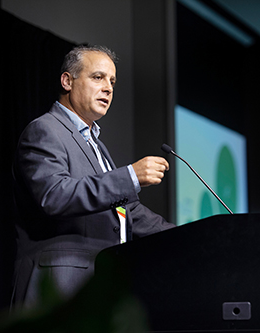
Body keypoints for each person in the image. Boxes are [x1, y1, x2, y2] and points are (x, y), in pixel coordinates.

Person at [11, 45, 175, 310]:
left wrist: (189, 236)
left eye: (112, 81)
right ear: (67, 81)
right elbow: (54, 195)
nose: (108, 88)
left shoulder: (96, 145)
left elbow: (126, 211)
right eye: (98, 77)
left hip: (95, 290)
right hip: (57, 289)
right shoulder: (45, 130)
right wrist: (131, 175)